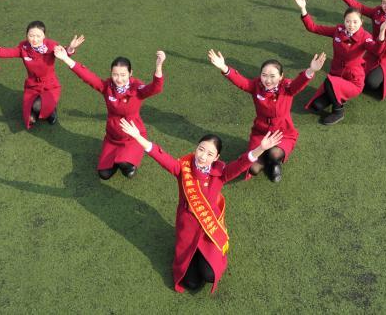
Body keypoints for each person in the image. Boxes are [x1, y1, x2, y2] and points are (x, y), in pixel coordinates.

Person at [119, 119, 284, 293]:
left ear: (217, 158)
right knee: (191, 283)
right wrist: (138, 137)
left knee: (210, 275)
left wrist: (261, 148)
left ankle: (205, 255)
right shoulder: (183, 168)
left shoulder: (221, 173)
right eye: (201, 149)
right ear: (196, 148)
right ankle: (193, 255)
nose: (203, 157)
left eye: (210, 154)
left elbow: (242, 163)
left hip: (209, 230)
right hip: (188, 231)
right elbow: (161, 155)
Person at [207, 49, 325, 182]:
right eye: (264, 75)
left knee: (275, 154)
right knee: (253, 169)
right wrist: (223, 67)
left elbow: (300, 82)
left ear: (281, 76)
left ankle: (273, 161)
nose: (267, 80)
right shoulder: (256, 86)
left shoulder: (287, 87)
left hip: (283, 131)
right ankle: (268, 160)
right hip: (261, 132)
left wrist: (311, 70)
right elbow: (241, 82)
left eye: (272, 76)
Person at [54, 47, 165, 180]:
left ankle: (127, 160)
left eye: (123, 75)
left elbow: (155, 88)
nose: (118, 79)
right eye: (115, 74)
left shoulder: (137, 88)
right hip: (113, 137)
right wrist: (66, 58)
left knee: (127, 168)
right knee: (104, 174)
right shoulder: (107, 87)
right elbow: (88, 76)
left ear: (130, 73)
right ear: (111, 73)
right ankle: (119, 158)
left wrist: (158, 67)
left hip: (133, 138)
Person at [295, 0, 386, 125]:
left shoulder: (365, 37)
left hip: (353, 81)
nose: (351, 25)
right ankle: (338, 95)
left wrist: (382, 34)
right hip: (336, 76)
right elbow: (313, 28)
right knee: (317, 106)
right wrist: (303, 9)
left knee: (329, 82)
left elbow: (377, 50)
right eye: (348, 21)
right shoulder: (338, 31)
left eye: (355, 22)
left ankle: (338, 111)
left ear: (361, 22)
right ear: (344, 21)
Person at [0, 24, 84, 128]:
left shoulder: (51, 45)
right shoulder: (24, 48)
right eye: (31, 35)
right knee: (30, 120)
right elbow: (5, 52)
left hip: (50, 85)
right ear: (27, 35)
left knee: (38, 107)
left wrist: (71, 48)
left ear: (44, 36)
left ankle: (51, 110)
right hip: (32, 86)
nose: (34, 39)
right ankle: (46, 106)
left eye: (38, 36)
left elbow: (64, 53)